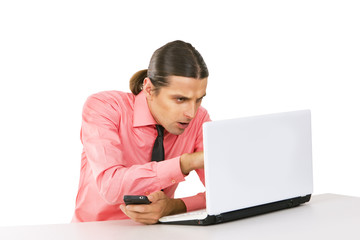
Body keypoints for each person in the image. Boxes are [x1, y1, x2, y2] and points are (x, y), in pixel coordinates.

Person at [72, 40, 210, 224]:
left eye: (198, 99)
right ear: (149, 89)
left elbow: (227, 193)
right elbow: (110, 186)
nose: (191, 113)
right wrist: (185, 163)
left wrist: (173, 207)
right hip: (94, 232)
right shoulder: (104, 108)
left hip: (160, 234)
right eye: (180, 99)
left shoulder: (199, 119)